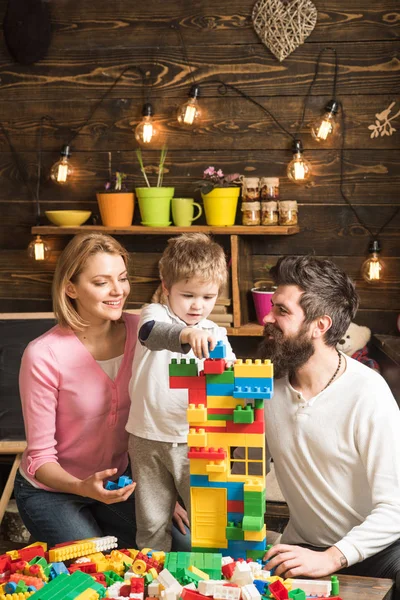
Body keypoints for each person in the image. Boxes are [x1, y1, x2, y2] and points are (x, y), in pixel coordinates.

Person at [14, 232, 188, 550]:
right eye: (101, 282)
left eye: (122, 278)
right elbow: (39, 459)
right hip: (52, 491)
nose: (117, 291)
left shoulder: (145, 335)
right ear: (70, 288)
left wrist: (161, 494)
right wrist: (82, 486)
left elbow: (157, 420)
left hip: (119, 483)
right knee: (93, 564)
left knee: (182, 549)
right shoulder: (43, 354)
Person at [259, 256, 400, 597]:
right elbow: (241, 470)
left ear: (320, 325)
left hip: (377, 549)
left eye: (281, 310)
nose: (266, 317)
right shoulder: (266, 389)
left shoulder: (368, 392)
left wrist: (333, 558)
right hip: (303, 545)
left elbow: (395, 507)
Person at [126, 233, 236, 551]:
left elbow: (229, 382)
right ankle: (149, 577)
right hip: (147, 437)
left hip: (197, 442)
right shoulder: (154, 314)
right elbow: (151, 334)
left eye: (208, 297)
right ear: (166, 285)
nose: (198, 306)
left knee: (208, 521)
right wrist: (187, 333)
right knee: (151, 522)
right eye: (187, 295)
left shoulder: (217, 334)